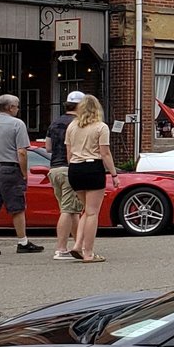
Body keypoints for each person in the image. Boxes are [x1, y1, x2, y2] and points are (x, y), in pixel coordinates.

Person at [0, 94, 43, 257]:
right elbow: (22, 151)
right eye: (17, 106)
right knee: (17, 207)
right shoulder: (17, 124)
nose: (18, 109)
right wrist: (24, 172)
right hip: (10, 169)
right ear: (11, 107)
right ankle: (23, 242)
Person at [63, 95, 114, 263]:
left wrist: (74, 166)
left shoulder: (72, 126)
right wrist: (114, 174)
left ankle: (78, 244)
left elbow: (69, 154)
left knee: (86, 210)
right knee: (93, 213)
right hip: (93, 167)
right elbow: (105, 153)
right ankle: (89, 252)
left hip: (75, 168)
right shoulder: (101, 127)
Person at [46, 91, 83, 261]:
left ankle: (78, 245)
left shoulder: (55, 123)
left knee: (72, 210)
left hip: (54, 169)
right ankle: (61, 249)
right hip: (70, 168)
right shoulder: (79, 124)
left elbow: (48, 147)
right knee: (68, 210)